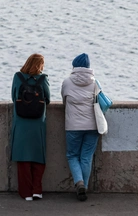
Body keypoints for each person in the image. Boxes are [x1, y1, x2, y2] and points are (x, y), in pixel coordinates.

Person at [61, 53, 102, 201]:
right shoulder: (95, 83)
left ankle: (79, 183)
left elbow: (64, 101)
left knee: (72, 155)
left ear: (74, 66)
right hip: (93, 126)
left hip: (73, 126)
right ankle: (84, 187)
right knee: (86, 157)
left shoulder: (67, 82)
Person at [10, 53, 51, 201]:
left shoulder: (17, 77)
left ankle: (26, 193)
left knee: (23, 158)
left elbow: (14, 96)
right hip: (38, 122)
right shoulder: (43, 79)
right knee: (38, 157)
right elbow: (48, 98)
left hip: (21, 122)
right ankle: (37, 191)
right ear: (40, 65)